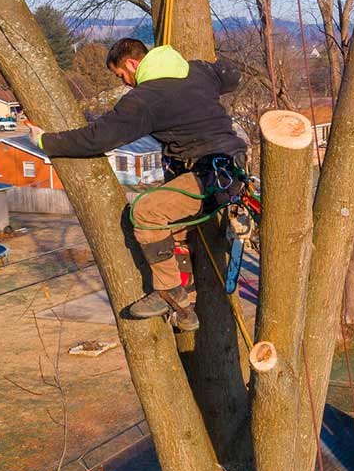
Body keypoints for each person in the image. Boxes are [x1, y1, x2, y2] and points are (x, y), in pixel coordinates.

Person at [28, 39, 246, 332]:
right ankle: (185, 307)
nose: (126, 83)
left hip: (209, 178)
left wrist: (45, 141)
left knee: (145, 212)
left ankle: (169, 291)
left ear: (131, 64)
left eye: (121, 75)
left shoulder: (144, 99)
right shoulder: (196, 72)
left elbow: (96, 137)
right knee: (174, 229)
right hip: (232, 168)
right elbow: (231, 75)